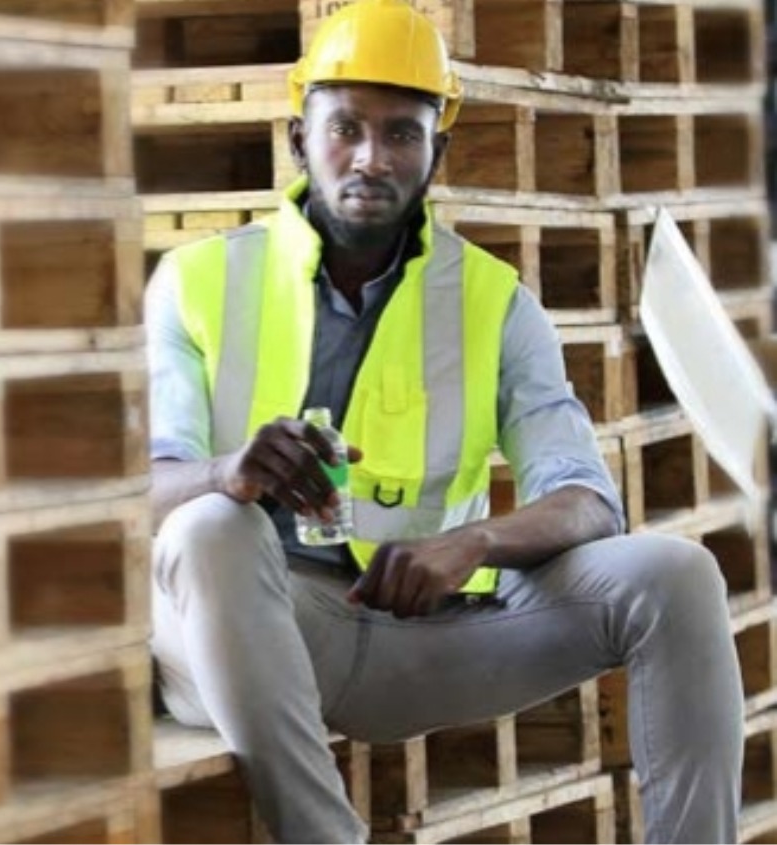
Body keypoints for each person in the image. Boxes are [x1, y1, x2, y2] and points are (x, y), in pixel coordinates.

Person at [144, 1, 743, 841]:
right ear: (298, 137)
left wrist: (475, 543)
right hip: (234, 644)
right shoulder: (197, 281)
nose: (369, 157)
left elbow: (586, 499)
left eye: (400, 134)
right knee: (211, 526)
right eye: (345, 127)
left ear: (438, 153)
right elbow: (133, 494)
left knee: (675, 575)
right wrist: (225, 472)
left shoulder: (494, 301)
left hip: (406, 638)